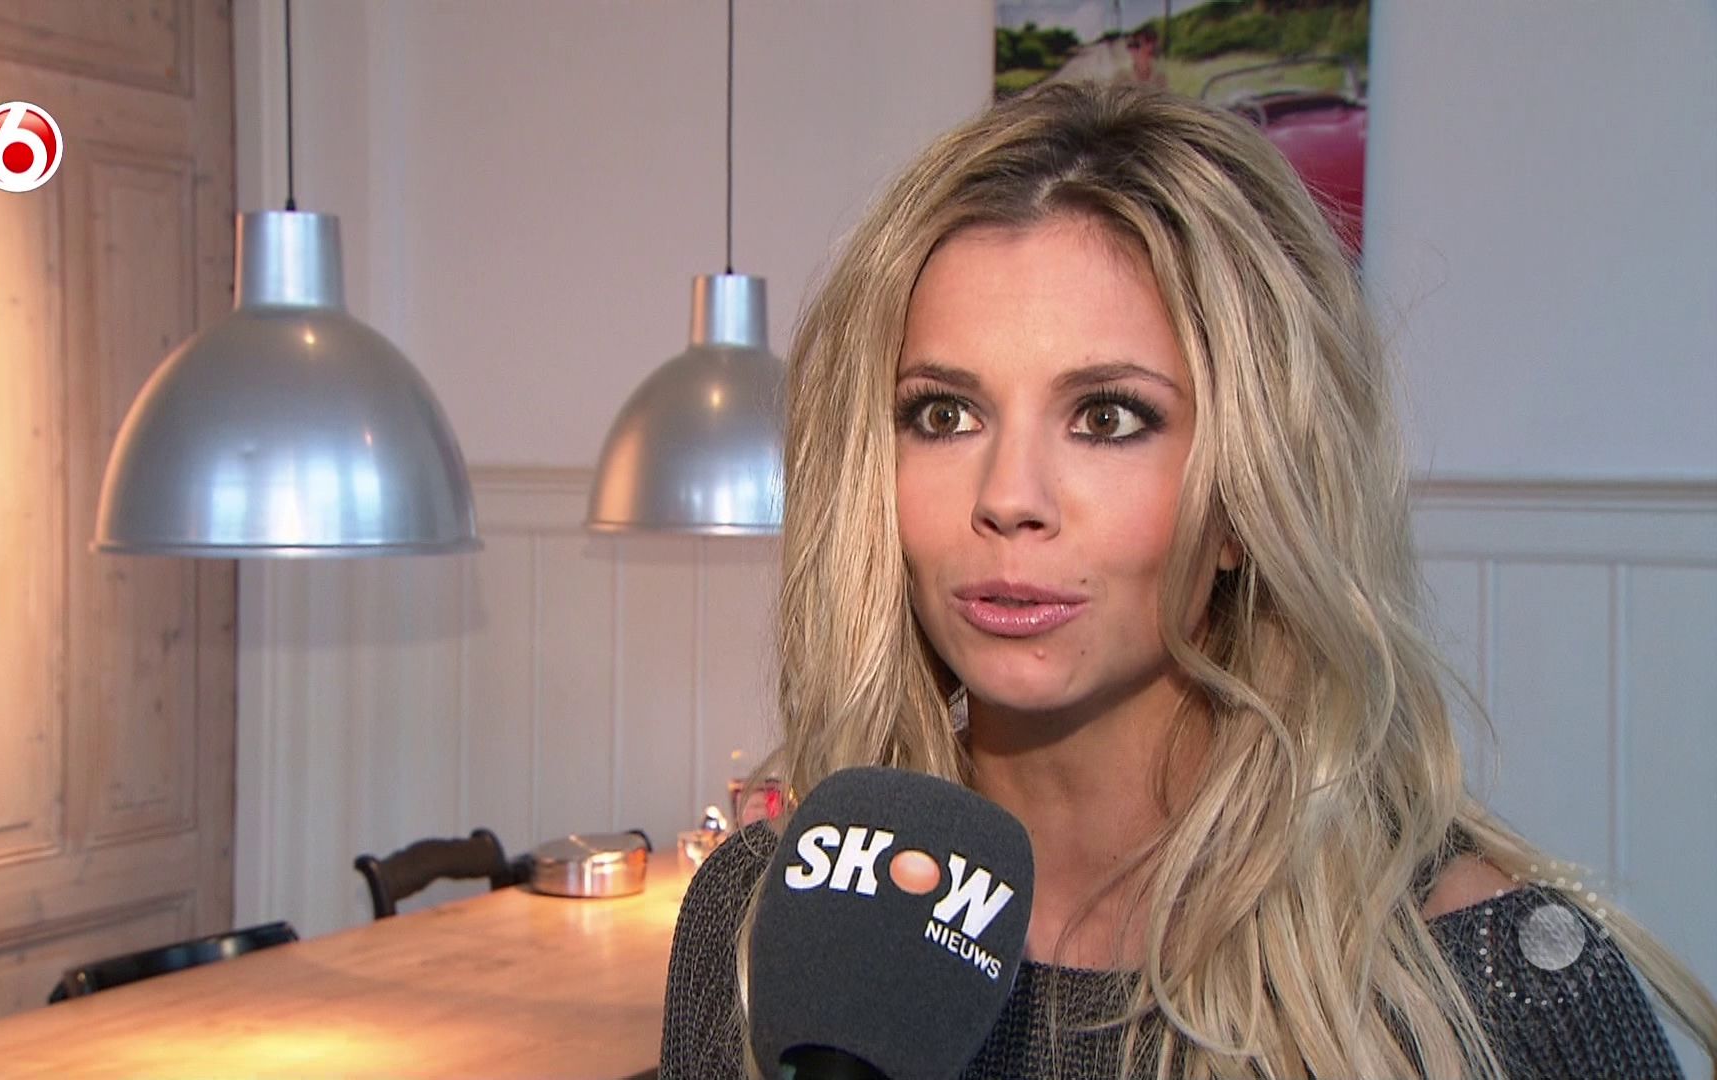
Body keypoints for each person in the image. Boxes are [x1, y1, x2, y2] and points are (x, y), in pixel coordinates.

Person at [659, 80, 1717, 1079]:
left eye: (1107, 417)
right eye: (944, 413)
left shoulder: (1498, 983)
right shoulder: (758, 928)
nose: (1010, 496)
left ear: (1245, 501)